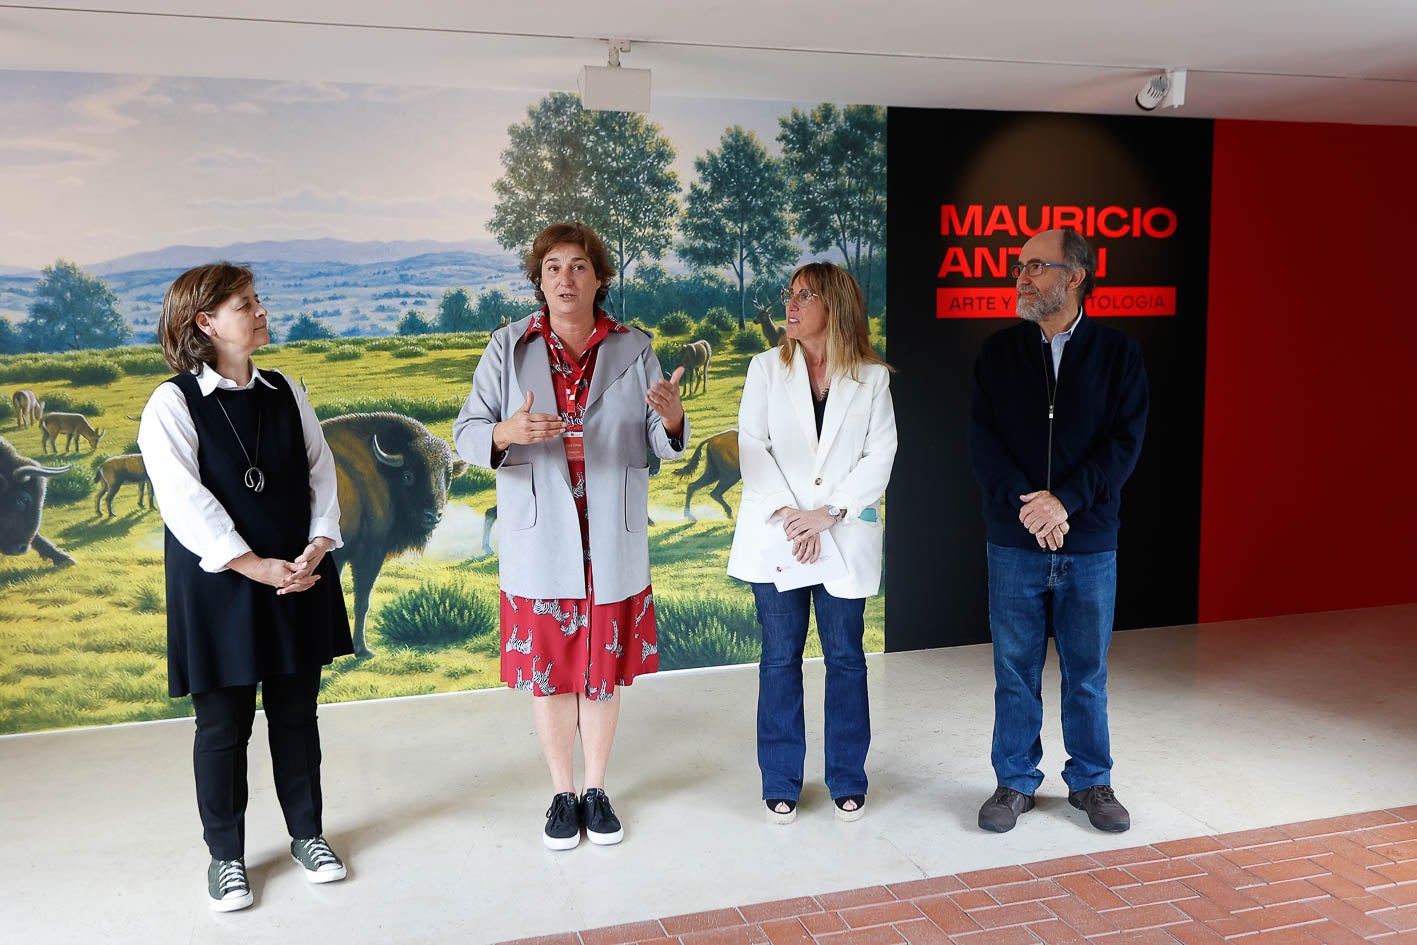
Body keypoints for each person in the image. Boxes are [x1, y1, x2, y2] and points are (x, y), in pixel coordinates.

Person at [452, 223, 688, 850]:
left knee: (601, 670)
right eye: (552, 268)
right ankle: (562, 793)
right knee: (553, 672)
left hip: (609, 528)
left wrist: (672, 419)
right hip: (542, 532)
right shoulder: (507, 346)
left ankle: (597, 789)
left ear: (599, 278)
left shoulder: (636, 347)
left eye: (578, 267)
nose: (565, 279)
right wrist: (506, 432)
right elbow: (466, 431)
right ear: (539, 280)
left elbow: (659, 442)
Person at [138, 263, 354, 911]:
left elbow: (322, 472)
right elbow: (183, 501)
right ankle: (226, 857)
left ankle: (308, 835)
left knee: (296, 713)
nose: (260, 312)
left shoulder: (286, 388)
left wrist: (317, 544)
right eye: (244, 304)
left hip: (300, 574)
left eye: (258, 300)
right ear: (204, 322)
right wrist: (254, 564)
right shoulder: (171, 403)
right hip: (221, 586)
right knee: (223, 725)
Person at [969, 228, 1149, 834]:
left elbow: (1123, 446)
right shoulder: (998, 353)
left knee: (1086, 673)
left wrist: (1064, 502)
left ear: (1074, 276)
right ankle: (1014, 783)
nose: (1021, 277)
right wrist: (1032, 508)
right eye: (1019, 266)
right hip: (1015, 542)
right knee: (1014, 671)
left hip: (1090, 543)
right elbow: (982, 442)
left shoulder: (1120, 355)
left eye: (1036, 267)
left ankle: (1092, 783)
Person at [727, 262, 897, 824]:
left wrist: (828, 514)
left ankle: (848, 777)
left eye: (804, 296)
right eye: (789, 294)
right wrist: (793, 517)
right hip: (779, 535)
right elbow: (752, 447)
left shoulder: (873, 378)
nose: (790, 306)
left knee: (846, 658)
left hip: (842, 531)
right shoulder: (763, 368)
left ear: (837, 306)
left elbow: (881, 456)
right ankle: (781, 780)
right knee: (779, 658)